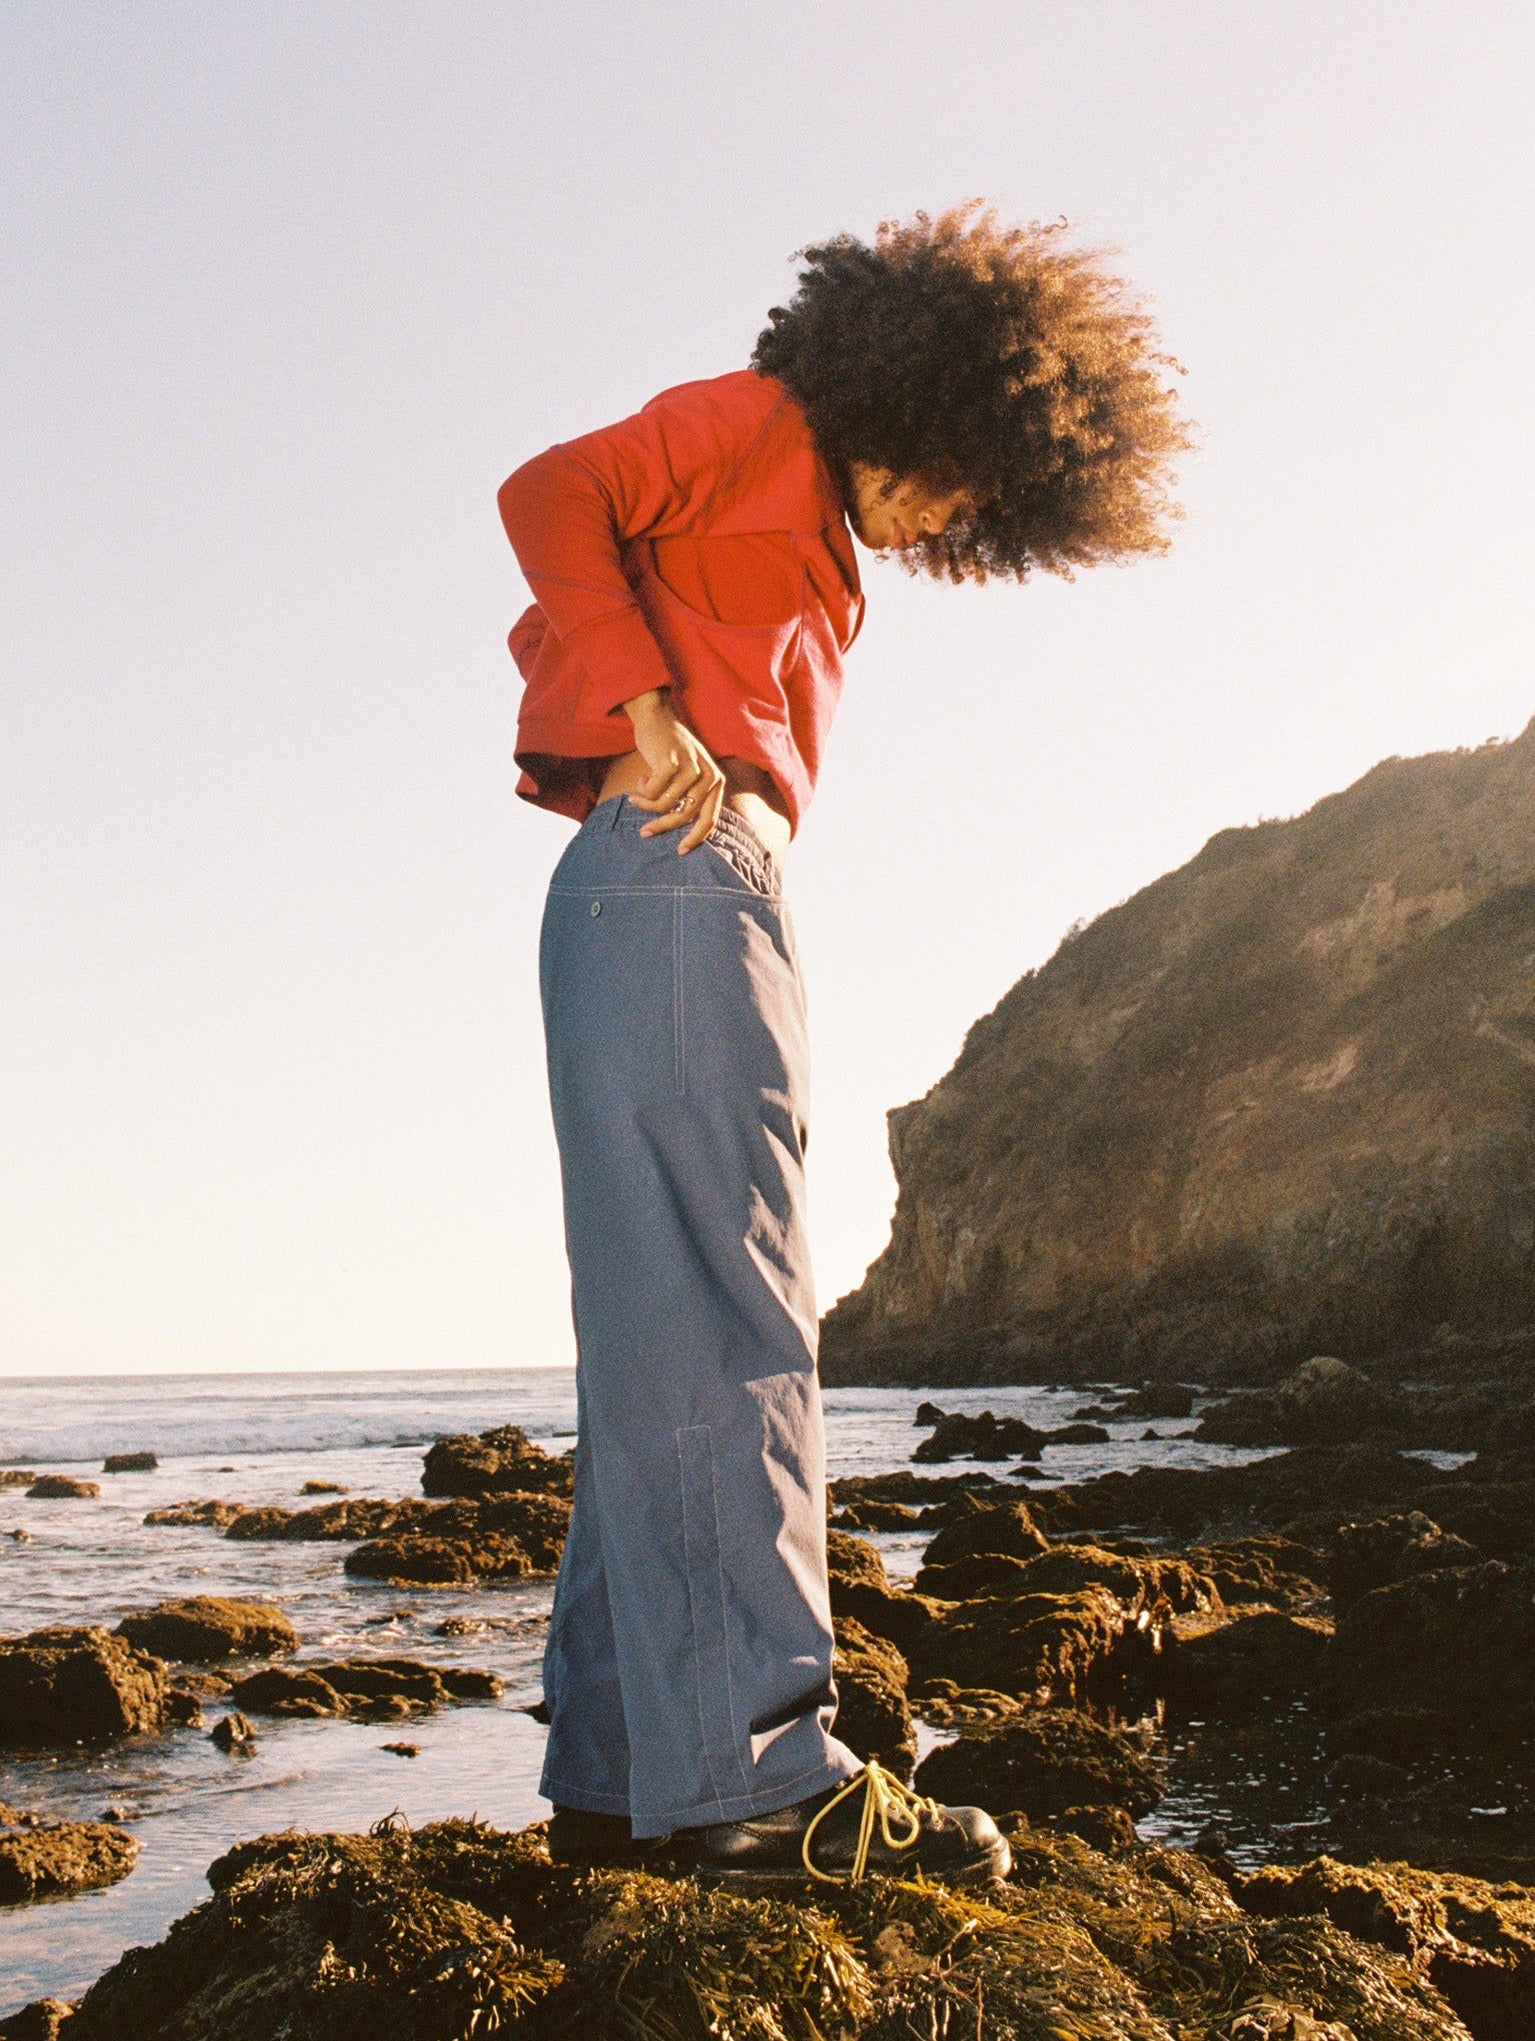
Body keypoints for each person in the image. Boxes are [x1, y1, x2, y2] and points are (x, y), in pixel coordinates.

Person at [497, 203, 1190, 1887]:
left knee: (665, 1328)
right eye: (962, 473)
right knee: (731, 1313)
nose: (952, 513)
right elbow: (551, 488)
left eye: (980, 512)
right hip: (670, 871)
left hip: (678, 889)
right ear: (925, 391)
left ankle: (620, 1781)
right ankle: (754, 1783)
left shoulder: (827, 539)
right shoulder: (759, 425)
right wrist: (643, 702)